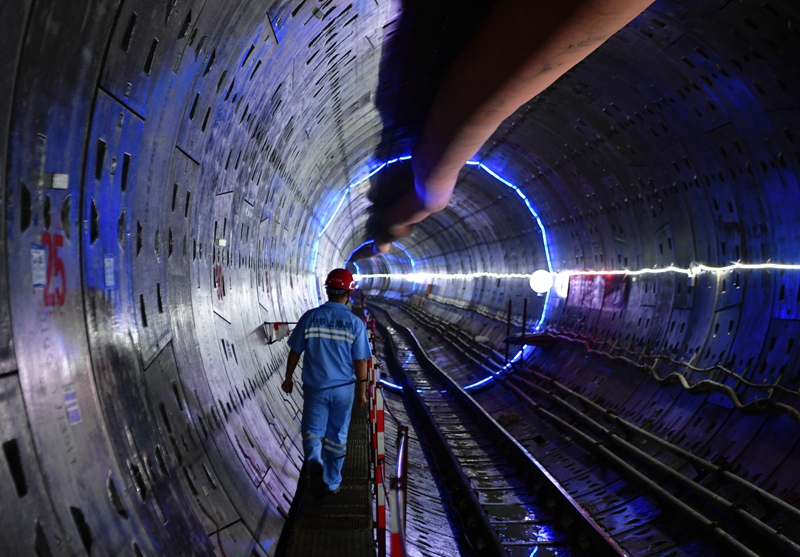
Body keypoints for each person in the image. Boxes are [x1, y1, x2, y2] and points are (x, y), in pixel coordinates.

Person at [281, 268, 371, 497]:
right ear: (348, 295)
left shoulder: (310, 317)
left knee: (312, 430)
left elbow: (295, 351)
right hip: (344, 390)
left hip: (316, 388)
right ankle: (331, 482)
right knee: (338, 435)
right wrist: (362, 392)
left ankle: (313, 458)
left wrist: (288, 378)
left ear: (328, 291)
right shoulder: (354, 323)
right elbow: (360, 361)